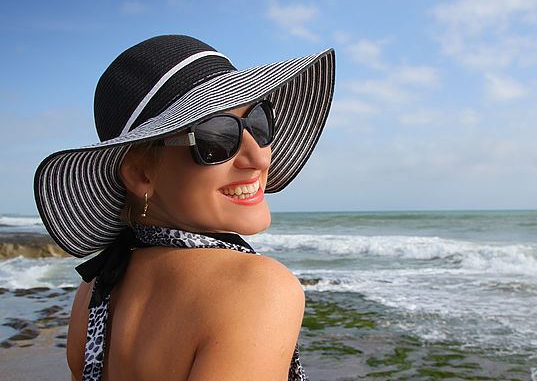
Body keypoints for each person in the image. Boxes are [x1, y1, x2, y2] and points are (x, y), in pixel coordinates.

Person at [33, 34, 335, 381]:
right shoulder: (255, 289)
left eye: (258, 123)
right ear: (141, 173)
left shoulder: (96, 288)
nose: (257, 157)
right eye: (216, 137)